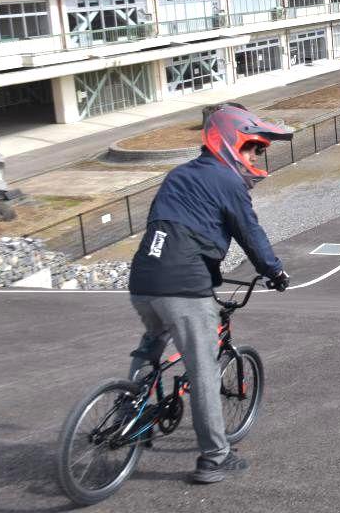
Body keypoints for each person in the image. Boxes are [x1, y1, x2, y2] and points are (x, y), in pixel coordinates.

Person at [127, 103, 292, 484]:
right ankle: (215, 457)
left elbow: (178, 225)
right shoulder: (228, 181)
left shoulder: (178, 175)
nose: (255, 155)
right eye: (253, 147)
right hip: (183, 284)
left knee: (151, 346)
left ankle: (129, 413)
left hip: (144, 278)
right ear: (232, 142)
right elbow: (250, 234)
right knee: (202, 370)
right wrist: (275, 271)